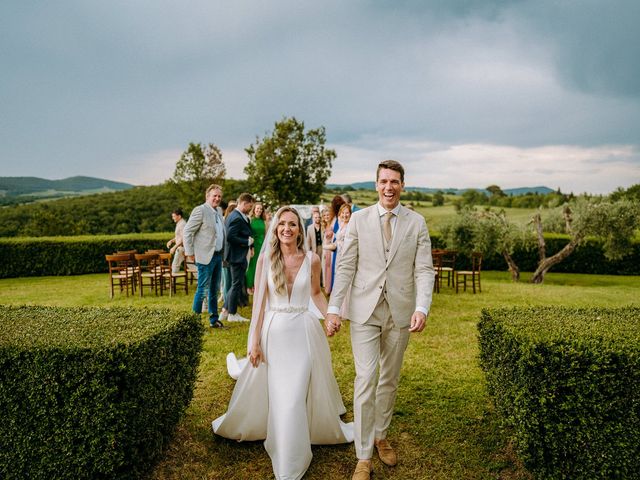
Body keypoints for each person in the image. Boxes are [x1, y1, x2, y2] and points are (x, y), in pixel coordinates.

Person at [212, 206, 353, 480]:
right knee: (281, 395)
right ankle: (288, 453)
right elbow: (259, 308)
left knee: (295, 394)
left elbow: (315, 293)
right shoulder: (266, 260)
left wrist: (329, 316)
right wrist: (253, 342)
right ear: (276, 230)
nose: (286, 229)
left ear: (299, 229)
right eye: (282, 224)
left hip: (303, 333)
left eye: (292, 224)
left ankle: (292, 454)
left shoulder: (311, 259)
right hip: (274, 334)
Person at [326, 160, 435, 480]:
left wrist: (422, 307)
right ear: (376, 185)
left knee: (389, 378)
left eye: (395, 182)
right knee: (366, 377)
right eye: (384, 181)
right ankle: (362, 456)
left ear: (403, 185)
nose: (389, 187)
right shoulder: (358, 221)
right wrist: (334, 309)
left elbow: (424, 270)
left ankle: (380, 435)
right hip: (364, 311)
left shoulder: (417, 223)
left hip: (401, 311)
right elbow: (345, 268)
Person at [183, 184, 226, 329]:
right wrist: (189, 253)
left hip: (218, 256)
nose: (217, 198)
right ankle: (194, 323)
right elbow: (187, 231)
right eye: (214, 195)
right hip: (204, 256)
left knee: (214, 289)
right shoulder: (200, 210)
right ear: (207, 196)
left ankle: (214, 320)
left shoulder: (219, 211)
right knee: (202, 289)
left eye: (219, 196)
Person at [220, 193, 254, 323]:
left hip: (236, 256)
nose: (250, 209)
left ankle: (224, 311)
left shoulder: (236, 215)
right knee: (236, 285)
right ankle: (232, 314)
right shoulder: (236, 217)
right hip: (236, 256)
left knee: (235, 284)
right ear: (244, 203)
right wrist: (247, 242)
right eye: (250, 206)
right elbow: (230, 237)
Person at [245, 202, 267, 295]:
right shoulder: (250, 220)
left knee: (261, 265)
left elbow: (266, 234)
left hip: (262, 245)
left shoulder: (264, 221)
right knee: (252, 266)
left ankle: (257, 285)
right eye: (257, 208)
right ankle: (249, 286)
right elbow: (248, 234)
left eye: (261, 209)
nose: (259, 210)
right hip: (253, 246)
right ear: (254, 209)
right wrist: (251, 247)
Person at [166, 208, 186, 274]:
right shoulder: (179, 223)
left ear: (179, 216)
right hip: (183, 248)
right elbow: (179, 237)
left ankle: (172, 282)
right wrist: (171, 241)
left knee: (175, 265)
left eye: (174, 216)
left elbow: (184, 239)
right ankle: (203, 280)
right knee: (191, 265)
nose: (173, 218)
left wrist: (174, 247)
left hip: (181, 248)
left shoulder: (182, 224)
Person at [321, 207, 335, 294]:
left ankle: (330, 288)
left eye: (328, 215)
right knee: (325, 268)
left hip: (330, 249)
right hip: (325, 250)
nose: (326, 217)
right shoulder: (325, 226)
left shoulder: (333, 226)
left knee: (330, 268)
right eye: (324, 215)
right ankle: (326, 287)